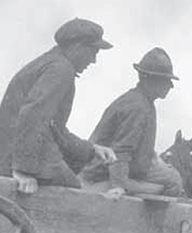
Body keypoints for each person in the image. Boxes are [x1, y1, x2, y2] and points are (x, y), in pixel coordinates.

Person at [0, 18, 117, 194]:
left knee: (73, 182)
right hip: (16, 154)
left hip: (10, 150)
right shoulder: (60, 69)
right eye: (93, 52)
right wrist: (23, 171)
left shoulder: (53, 63)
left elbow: (55, 129)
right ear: (77, 47)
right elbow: (33, 115)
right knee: (76, 197)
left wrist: (92, 149)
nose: (93, 60)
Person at [79, 47, 184, 198]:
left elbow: (140, 146)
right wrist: (118, 186)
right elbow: (121, 150)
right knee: (173, 182)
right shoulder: (137, 107)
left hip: (124, 169)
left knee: (172, 176)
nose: (170, 86)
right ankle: (122, 193)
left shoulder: (143, 101)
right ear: (152, 80)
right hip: (103, 173)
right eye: (166, 80)